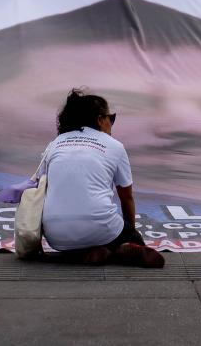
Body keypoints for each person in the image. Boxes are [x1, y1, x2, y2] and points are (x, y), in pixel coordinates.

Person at [32, 90, 165, 267]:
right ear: (100, 119)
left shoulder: (55, 144)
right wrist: (132, 233)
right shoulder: (115, 146)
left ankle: (85, 253)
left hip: (56, 235)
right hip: (101, 227)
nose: (112, 124)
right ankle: (121, 246)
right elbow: (126, 198)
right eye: (112, 118)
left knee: (72, 243)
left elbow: (39, 189)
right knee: (120, 233)